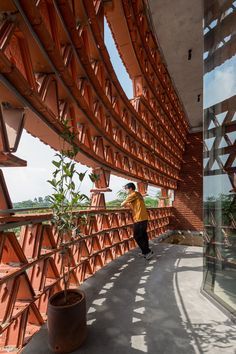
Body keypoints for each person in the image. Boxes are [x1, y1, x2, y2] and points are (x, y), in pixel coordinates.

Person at [121, 182, 153, 260]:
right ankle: (146, 252)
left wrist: (125, 203)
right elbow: (133, 205)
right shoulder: (138, 194)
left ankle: (147, 252)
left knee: (137, 236)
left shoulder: (132, 195)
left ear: (130, 188)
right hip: (144, 217)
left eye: (126, 189)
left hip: (139, 218)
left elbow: (122, 204)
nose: (125, 191)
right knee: (144, 236)